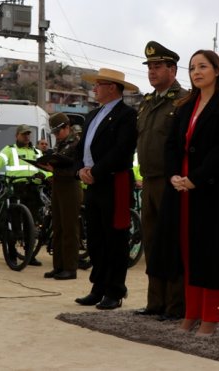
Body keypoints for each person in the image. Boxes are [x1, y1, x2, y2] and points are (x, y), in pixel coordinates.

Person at [150, 50, 219, 336]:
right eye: (193, 67)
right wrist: (174, 176)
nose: (196, 72)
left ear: (217, 70)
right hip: (181, 189)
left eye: (203, 66)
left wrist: (195, 178)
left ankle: (210, 317)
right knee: (187, 251)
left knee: (211, 254)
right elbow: (171, 145)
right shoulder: (184, 106)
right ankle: (191, 312)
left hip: (212, 189)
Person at [74, 68, 137, 310]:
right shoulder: (92, 115)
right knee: (96, 238)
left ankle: (115, 291)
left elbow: (122, 150)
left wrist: (95, 171)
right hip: (92, 183)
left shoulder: (127, 115)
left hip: (114, 182)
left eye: (99, 84)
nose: (94, 88)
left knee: (115, 238)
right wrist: (80, 169)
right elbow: (81, 149)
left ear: (112, 87)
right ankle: (98, 287)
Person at [134, 40, 187, 321]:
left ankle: (176, 305)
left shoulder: (184, 100)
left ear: (173, 69)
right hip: (149, 180)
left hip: (173, 182)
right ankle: (155, 302)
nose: (152, 72)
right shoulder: (147, 102)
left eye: (158, 66)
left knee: (173, 244)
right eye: (150, 67)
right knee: (152, 242)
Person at [0, 124, 48, 266]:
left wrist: (44, 175)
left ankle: (29, 255)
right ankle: (11, 253)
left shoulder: (37, 152)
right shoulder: (10, 150)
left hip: (31, 189)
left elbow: (46, 168)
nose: (26, 137)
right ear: (17, 136)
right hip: (15, 188)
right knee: (13, 223)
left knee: (30, 224)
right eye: (23, 134)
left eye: (28, 134)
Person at [42, 112, 82, 281]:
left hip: (70, 187)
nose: (56, 136)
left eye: (58, 132)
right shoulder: (62, 143)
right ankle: (58, 266)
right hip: (58, 186)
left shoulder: (76, 143)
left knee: (69, 229)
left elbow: (75, 168)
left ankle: (70, 268)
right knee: (57, 228)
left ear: (67, 127)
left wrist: (54, 170)